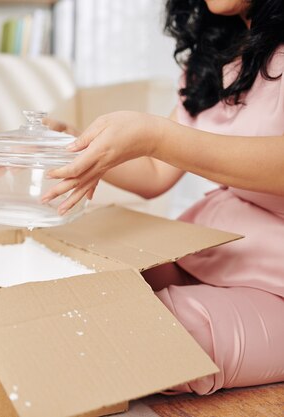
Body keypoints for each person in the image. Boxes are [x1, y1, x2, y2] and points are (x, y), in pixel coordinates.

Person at [43, 0, 284, 394]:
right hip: (216, 245)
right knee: (74, 292)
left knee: (137, 340)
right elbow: (156, 172)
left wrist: (157, 135)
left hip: (275, 278)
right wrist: (74, 140)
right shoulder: (218, 56)